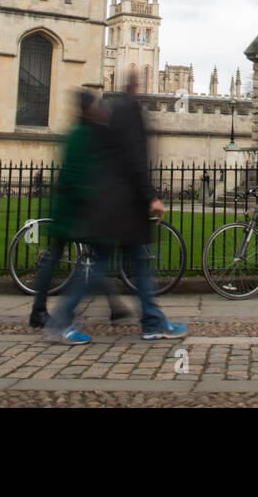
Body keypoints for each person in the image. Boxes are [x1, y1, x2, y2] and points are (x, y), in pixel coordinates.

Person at [100, 65, 188, 342]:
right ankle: (151, 321)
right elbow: (136, 160)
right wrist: (151, 196)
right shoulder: (130, 112)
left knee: (119, 263)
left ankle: (150, 319)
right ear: (136, 86)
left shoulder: (116, 111)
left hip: (118, 203)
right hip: (127, 205)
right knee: (128, 264)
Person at [36, 91, 126, 342]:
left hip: (73, 213)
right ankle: (60, 320)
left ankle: (42, 311)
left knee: (77, 259)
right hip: (76, 214)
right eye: (95, 106)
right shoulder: (81, 136)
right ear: (88, 109)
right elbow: (78, 179)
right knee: (97, 259)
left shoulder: (80, 133)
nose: (99, 110)